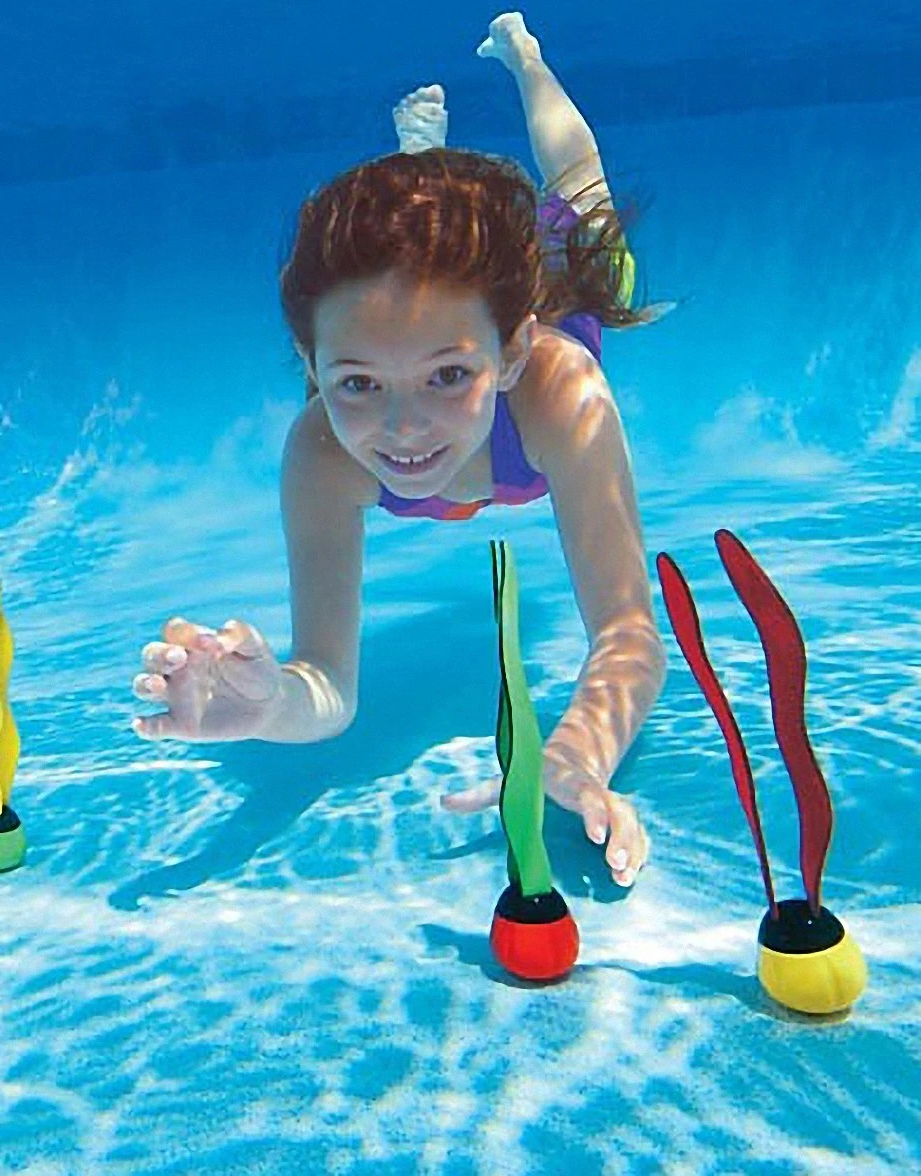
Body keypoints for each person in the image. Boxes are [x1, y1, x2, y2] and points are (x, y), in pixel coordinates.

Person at [132, 13, 669, 887]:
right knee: (415, 258)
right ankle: (424, 163)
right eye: (357, 384)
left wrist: (577, 751)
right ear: (311, 365)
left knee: (583, 202)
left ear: (510, 353)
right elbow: (326, 687)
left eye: (449, 376)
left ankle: (525, 58)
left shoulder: (560, 393)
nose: (405, 428)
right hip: (456, 321)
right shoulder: (321, 455)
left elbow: (629, 632)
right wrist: (270, 705)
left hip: (543, 297)